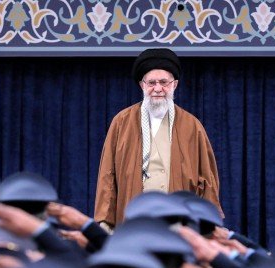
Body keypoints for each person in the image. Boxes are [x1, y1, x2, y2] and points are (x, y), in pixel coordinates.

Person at [94, 48, 221, 229]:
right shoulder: (122, 122)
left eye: (164, 82)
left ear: (174, 84)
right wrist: (106, 222)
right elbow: (108, 175)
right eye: (151, 82)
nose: (158, 88)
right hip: (134, 218)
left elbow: (207, 179)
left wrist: (208, 226)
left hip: (178, 222)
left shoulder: (192, 125)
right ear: (142, 85)